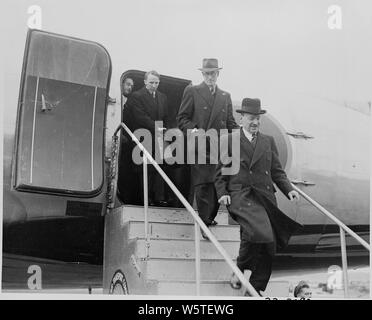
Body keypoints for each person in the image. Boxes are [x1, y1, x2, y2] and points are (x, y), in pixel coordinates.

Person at [214, 98, 303, 295]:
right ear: (241, 119)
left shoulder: (267, 141)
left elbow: (277, 172)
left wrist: (289, 190)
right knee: (257, 230)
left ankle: (256, 287)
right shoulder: (229, 140)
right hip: (241, 195)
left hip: (264, 195)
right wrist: (222, 194)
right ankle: (239, 269)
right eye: (251, 118)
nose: (255, 122)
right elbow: (220, 172)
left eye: (258, 119)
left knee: (270, 243)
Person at [177, 58, 238, 238]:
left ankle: (208, 218)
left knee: (217, 185)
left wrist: (241, 136)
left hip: (219, 147)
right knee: (203, 185)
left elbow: (230, 122)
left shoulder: (225, 96)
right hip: (200, 146)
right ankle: (204, 223)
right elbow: (182, 118)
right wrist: (194, 130)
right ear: (202, 74)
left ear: (218, 74)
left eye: (213, 73)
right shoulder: (193, 91)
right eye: (206, 73)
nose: (210, 76)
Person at [126, 70, 168, 206]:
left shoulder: (163, 97)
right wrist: (157, 126)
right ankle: (145, 199)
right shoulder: (136, 96)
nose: (154, 85)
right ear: (145, 82)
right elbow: (140, 117)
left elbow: (164, 116)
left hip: (158, 138)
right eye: (151, 82)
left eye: (156, 83)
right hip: (143, 136)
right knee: (144, 170)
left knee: (158, 169)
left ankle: (157, 198)